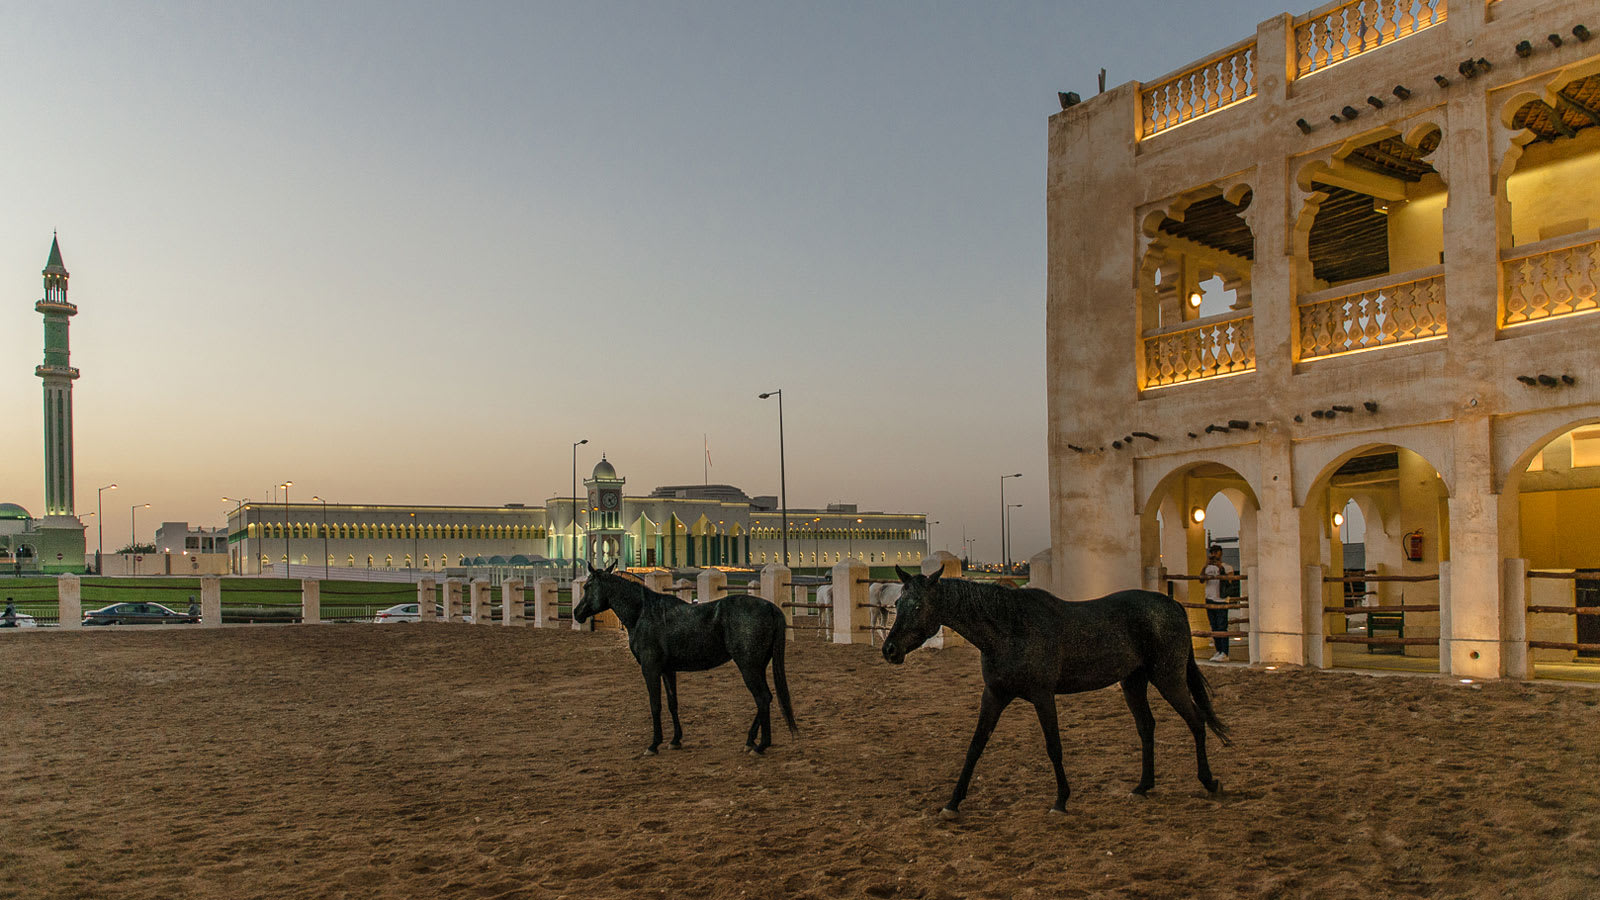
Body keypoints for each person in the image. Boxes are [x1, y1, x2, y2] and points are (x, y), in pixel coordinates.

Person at [1202, 545, 1232, 662]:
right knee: (1214, 627)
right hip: (1209, 599)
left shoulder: (1227, 567)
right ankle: (1218, 651)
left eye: (1216, 552)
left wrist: (1220, 568)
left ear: (1221, 553)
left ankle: (1225, 652)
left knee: (1222, 627)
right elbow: (1201, 579)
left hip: (1221, 600)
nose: (1214, 555)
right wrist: (1205, 565)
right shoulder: (1208, 568)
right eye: (1212, 553)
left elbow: (1229, 581)